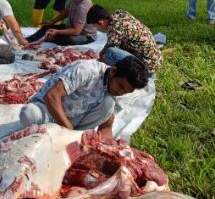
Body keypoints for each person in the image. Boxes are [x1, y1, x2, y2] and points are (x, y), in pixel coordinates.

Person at [19, 56, 149, 138]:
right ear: (113, 71)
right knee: (29, 113)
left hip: (73, 120)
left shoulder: (118, 90)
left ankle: (77, 137)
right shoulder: (88, 70)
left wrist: (109, 150)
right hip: (49, 110)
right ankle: (70, 137)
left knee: (109, 104)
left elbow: (107, 126)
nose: (121, 92)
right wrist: (68, 131)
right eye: (121, 86)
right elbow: (52, 96)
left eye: (126, 91)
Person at [86, 5, 162, 74]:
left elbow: (111, 49)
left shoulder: (115, 28)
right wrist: (101, 53)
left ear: (100, 22)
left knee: (111, 53)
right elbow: (110, 43)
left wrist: (99, 63)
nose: (96, 28)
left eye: (95, 25)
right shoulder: (120, 13)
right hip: (156, 57)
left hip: (148, 65)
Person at [27, 0, 97, 46]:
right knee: (46, 28)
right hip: (71, 27)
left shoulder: (82, 8)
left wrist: (57, 32)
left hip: (85, 35)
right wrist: (52, 22)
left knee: (68, 40)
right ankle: (27, 40)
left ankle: (51, 39)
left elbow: (76, 31)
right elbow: (66, 11)